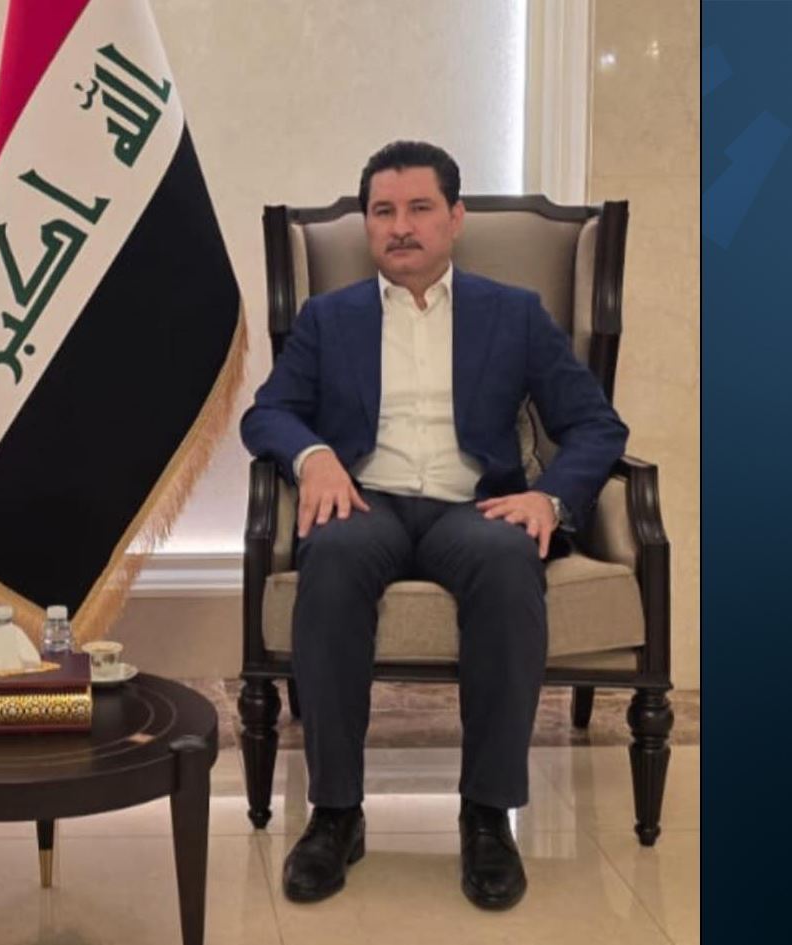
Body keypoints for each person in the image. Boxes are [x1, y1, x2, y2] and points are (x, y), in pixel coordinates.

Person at [241, 141, 626, 910]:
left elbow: (595, 425)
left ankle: (487, 816)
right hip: (367, 501)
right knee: (332, 559)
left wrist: (549, 499)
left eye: (419, 208)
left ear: (455, 218)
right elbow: (268, 413)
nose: (400, 226)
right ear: (367, 225)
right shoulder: (329, 318)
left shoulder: (514, 313)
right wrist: (314, 456)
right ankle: (336, 813)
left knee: (508, 562)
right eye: (383, 211)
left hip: (472, 505)